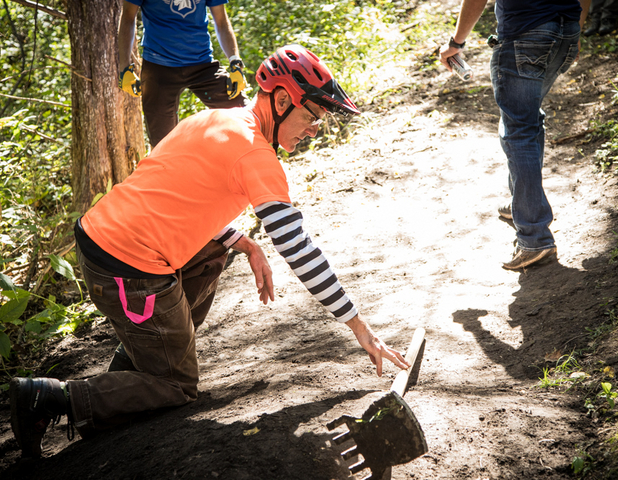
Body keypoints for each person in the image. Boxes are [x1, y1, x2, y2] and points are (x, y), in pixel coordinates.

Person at [9, 45, 410, 458]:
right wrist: (361, 329)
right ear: (284, 99)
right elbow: (299, 249)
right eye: (311, 117)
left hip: (102, 237)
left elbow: (175, 189)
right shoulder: (256, 154)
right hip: (127, 266)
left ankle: (137, 365)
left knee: (216, 253)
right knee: (177, 386)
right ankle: (50, 398)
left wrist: (243, 241)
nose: (313, 129)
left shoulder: (219, 118)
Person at [439, 0, 590, 270]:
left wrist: (457, 42)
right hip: (565, 31)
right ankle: (523, 203)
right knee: (526, 120)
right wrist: (575, 29)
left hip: (525, 33)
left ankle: (534, 237)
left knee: (519, 129)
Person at [118, 0, 249, 148]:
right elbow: (128, 18)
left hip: (203, 65)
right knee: (162, 146)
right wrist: (125, 68)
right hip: (159, 69)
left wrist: (235, 61)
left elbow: (221, 22)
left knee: (246, 116)